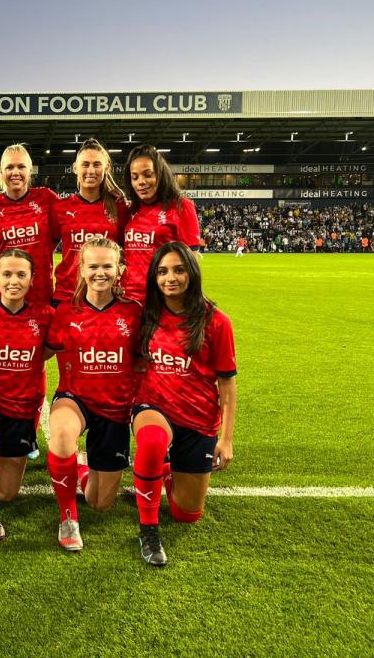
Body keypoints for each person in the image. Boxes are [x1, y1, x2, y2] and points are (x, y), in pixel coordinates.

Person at [130, 241, 237, 567]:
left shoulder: (216, 322)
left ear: (192, 272)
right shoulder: (145, 315)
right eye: (162, 271)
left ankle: (164, 470)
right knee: (152, 442)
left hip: (198, 419)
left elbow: (227, 384)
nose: (170, 278)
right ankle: (148, 530)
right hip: (153, 408)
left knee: (186, 513)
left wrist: (226, 439)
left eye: (178, 270)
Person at [44, 236, 142, 551]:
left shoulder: (134, 312)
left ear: (119, 269)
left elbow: (144, 361)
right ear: (82, 270)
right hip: (74, 399)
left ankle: (83, 470)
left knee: (100, 503)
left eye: (107, 266)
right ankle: (67, 517)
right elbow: (40, 352)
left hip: (115, 409)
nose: (100, 273)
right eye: (93, 266)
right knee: (61, 434)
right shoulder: (65, 312)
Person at [0, 248, 54, 541]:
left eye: (21, 274)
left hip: (21, 407)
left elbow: (48, 353)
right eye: (6, 274)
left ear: (32, 279)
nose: (13, 281)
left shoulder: (45, 316)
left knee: (7, 493)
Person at [120, 144, 201, 304]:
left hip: (161, 300)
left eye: (148, 175)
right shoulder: (131, 210)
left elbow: (192, 261)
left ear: (160, 173)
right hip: (128, 299)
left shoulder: (181, 206)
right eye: (135, 177)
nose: (141, 182)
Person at [0, 144, 58, 306]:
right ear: (1, 172)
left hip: (39, 293)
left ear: (30, 170)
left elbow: (58, 236)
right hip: (1, 295)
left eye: (21, 166)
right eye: (9, 167)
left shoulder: (47, 199)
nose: (15, 172)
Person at [50, 138, 126, 305]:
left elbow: (132, 255)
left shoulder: (119, 207)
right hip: (67, 295)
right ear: (75, 168)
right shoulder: (61, 207)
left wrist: (121, 282)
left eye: (97, 164)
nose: (91, 170)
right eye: (85, 164)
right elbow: (45, 251)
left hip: (105, 296)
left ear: (106, 168)